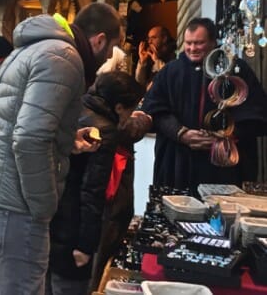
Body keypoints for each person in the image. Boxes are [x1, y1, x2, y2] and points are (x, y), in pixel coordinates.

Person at [0, 2, 122, 294]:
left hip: (2, 197)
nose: (108, 60)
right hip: (17, 204)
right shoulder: (63, 56)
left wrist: (67, 140)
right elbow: (28, 139)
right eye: (113, 48)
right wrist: (44, 207)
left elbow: (19, 125)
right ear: (100, 40)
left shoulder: (36, 47)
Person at [142, 18, 267, 194]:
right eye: (188, 43)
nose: (192, 49)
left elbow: (257, 114)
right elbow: (154, 111)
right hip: (178, 165)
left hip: (222, 168)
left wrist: (224, 135)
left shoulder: (236, 69)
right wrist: (181, 133)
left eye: (199, 43)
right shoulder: (170, 72)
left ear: (213, 42)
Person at [47, 72, 144, 295]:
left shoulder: (77, 109)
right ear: (119, 107)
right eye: (132, 108)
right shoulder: (106, 130)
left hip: (53, 215)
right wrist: (86, 244)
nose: (131, 115)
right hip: (73, 227)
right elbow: (93, 190)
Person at [135, 25, 176, 90]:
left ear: (164, 39)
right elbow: (140, 81)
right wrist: (142, 62)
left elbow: (171, 79)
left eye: (153, 38)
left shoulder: (175, 55)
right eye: (148, 38)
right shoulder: (151, 55)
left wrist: (157, 61)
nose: (149, 42)